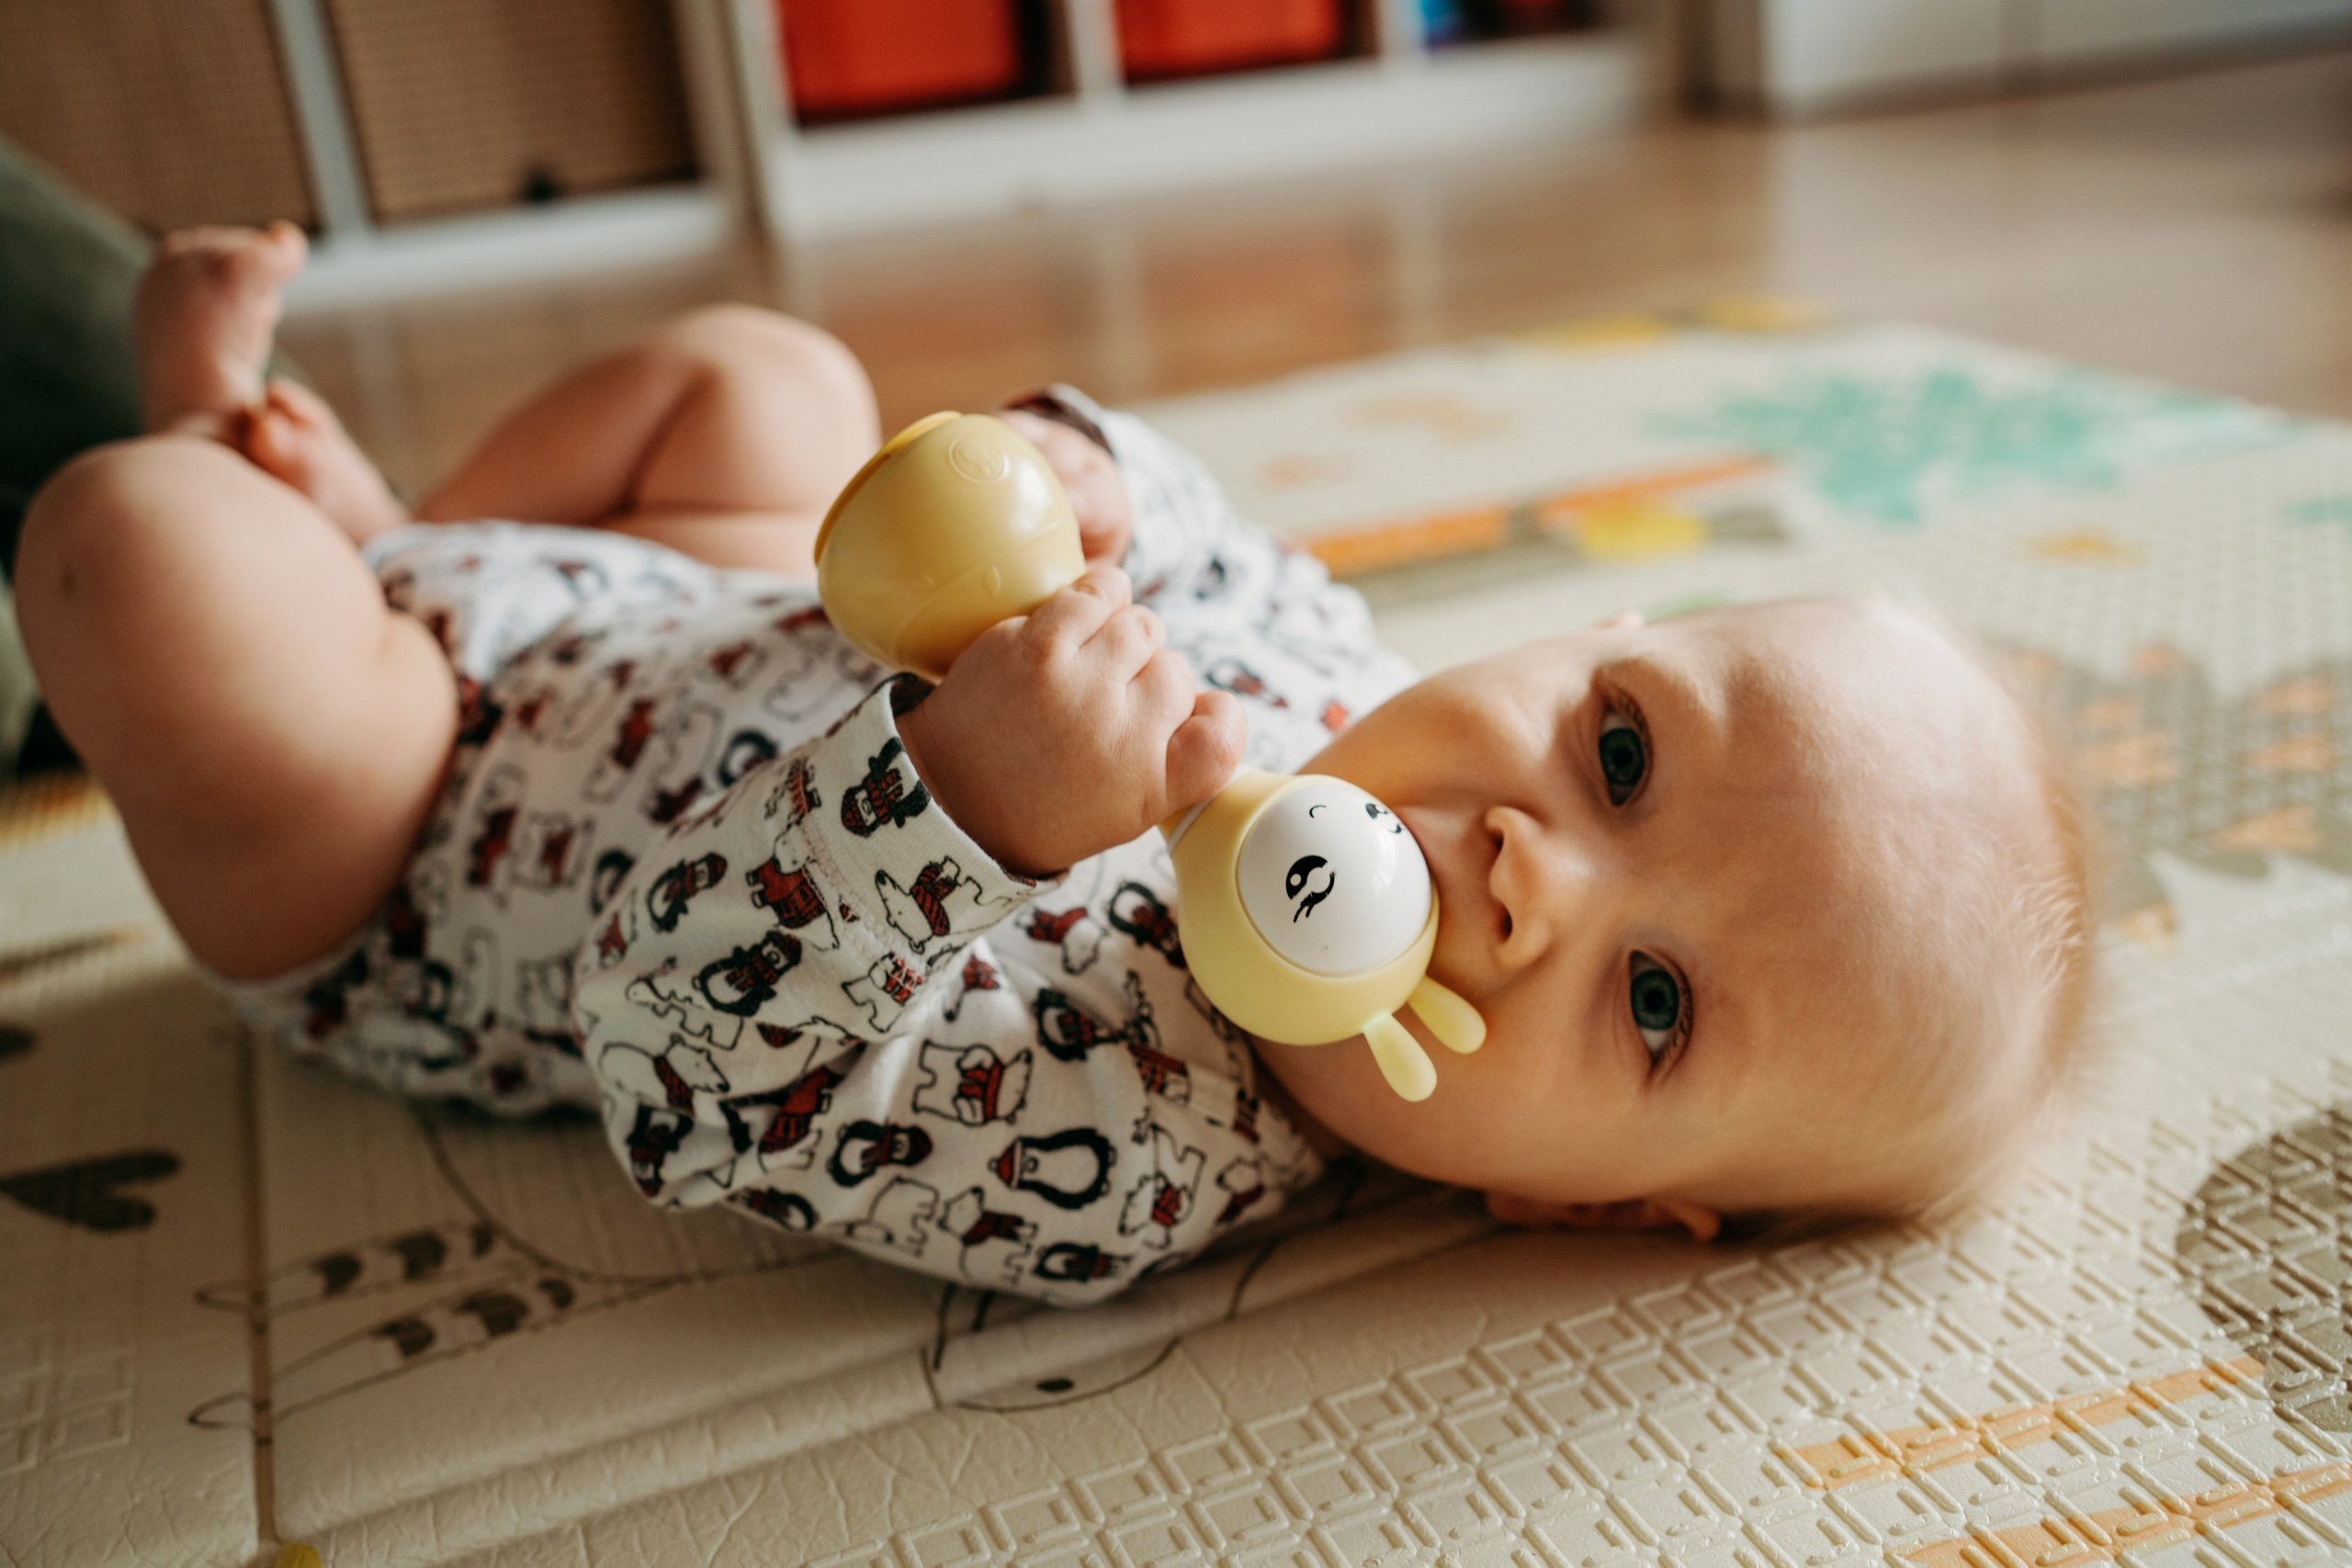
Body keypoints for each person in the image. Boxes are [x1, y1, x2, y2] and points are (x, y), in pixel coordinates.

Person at [15, 225, 2093, 1304]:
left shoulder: (1130, 1139)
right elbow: (1215, 539)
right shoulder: (1349, 684)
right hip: (701, 603)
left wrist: (965, 811)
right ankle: (400, 535)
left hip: (429, 832)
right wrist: (1084, 477)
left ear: (1605, 1211)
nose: (1536, 871)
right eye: (1619, 751)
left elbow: (678, 1067)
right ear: (1588, 645)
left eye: (1650, 1003)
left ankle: (261, 493)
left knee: (136, 550)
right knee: (764, 374)